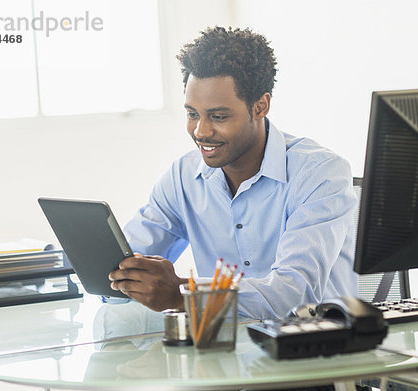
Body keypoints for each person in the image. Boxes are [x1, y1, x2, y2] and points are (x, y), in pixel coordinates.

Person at [108, 26, 358, 320]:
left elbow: (292, 295)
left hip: (318, 350)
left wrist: (182, 294)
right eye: (192, 114)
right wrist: (120, 275)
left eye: (219, 116)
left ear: (260, 106)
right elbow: (123, 261)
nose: (201, 131)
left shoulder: (320, 174)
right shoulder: (183, 176)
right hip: (225, 352)